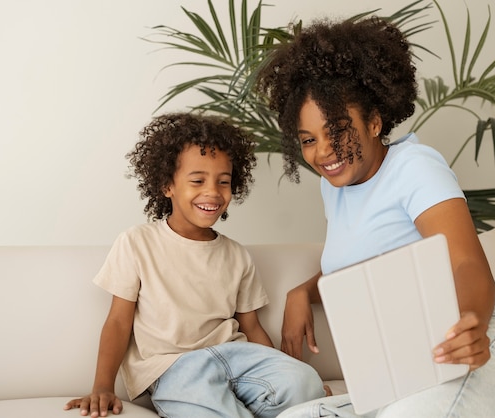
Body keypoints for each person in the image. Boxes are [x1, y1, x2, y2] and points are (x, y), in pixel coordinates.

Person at [255, 16, 495, 417]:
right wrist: (303, 292)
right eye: (309, 140)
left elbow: (468, 262)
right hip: (413, 368)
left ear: (373, 122)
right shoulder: (333, 189)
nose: (323, 152)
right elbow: (364, 263)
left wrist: (472, 319)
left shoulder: (413, 166)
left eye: (337, 131)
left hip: (487, 339)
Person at [64, 113, 326, 418]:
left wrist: (286, 375)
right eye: (197, 180)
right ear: (167, 185)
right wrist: (102, 386)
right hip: (174, 366)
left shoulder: (236, 255)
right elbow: (118, 323)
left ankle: (302, 404)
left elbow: (251, 327)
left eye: (223, 182)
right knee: (204, 403)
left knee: (305, 381)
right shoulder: (137, 243)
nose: (212, 192)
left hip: (236, 354)